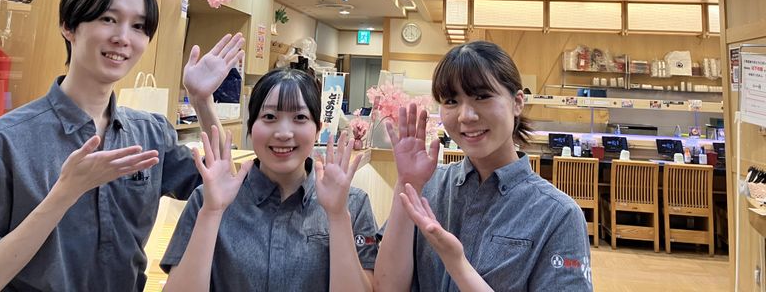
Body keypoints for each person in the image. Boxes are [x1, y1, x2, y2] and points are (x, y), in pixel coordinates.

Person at [0, 0, 245, 291]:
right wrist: (65, 193)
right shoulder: (1, 142)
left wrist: (201, 100)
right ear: (69, 26)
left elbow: (223, 188)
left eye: (138, 26)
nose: (123, 37)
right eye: (108, 19)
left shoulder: (150, 133)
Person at [375, 40, 593, 291]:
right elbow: (387, 287)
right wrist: (406, 183)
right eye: (451, 101)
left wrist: (457, 264)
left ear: (517, 102)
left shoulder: (558, 215)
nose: (466, 115)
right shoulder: (429, 187)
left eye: (482, 96)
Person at [161, 68, 378, 292]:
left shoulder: (353, 203)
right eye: (269, 117)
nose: (284, 133)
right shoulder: (207, 199)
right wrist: (211, 213)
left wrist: (337, 216)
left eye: (300, 118)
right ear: (251, 127)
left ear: (318, 130)